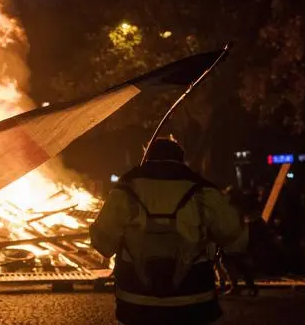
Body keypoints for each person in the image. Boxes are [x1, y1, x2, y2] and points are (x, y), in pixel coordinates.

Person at [91, 138, 248, 325]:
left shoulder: (126, 190)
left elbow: (103, 242)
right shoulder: (203, 191)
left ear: (147, 157)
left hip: (136, 298)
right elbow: (236, 238)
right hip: (193, 297)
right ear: (182, 160)